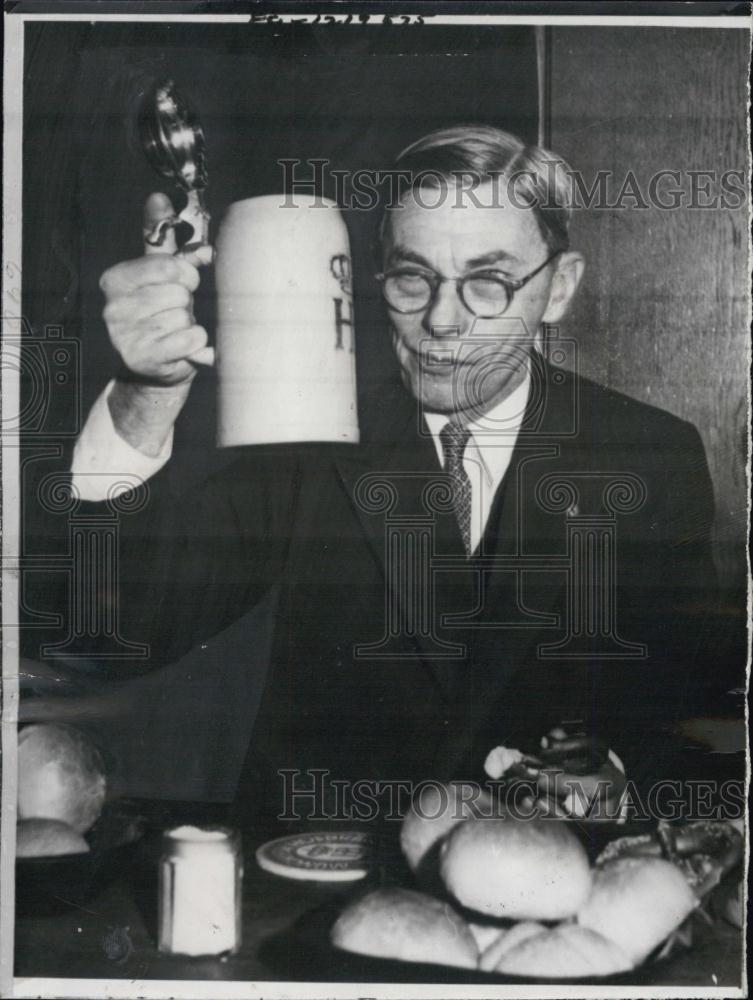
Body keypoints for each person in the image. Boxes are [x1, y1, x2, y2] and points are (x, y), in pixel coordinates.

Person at [56, 126, 723, 824]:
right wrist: (143, 396)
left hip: (554, 885)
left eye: (488, 282)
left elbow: (689, 706)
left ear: (558, 288)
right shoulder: (312, 435)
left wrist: (618, 775)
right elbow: (115, 628)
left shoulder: (648, 455)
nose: (440, 320)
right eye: (412, 277)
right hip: (319, 888)